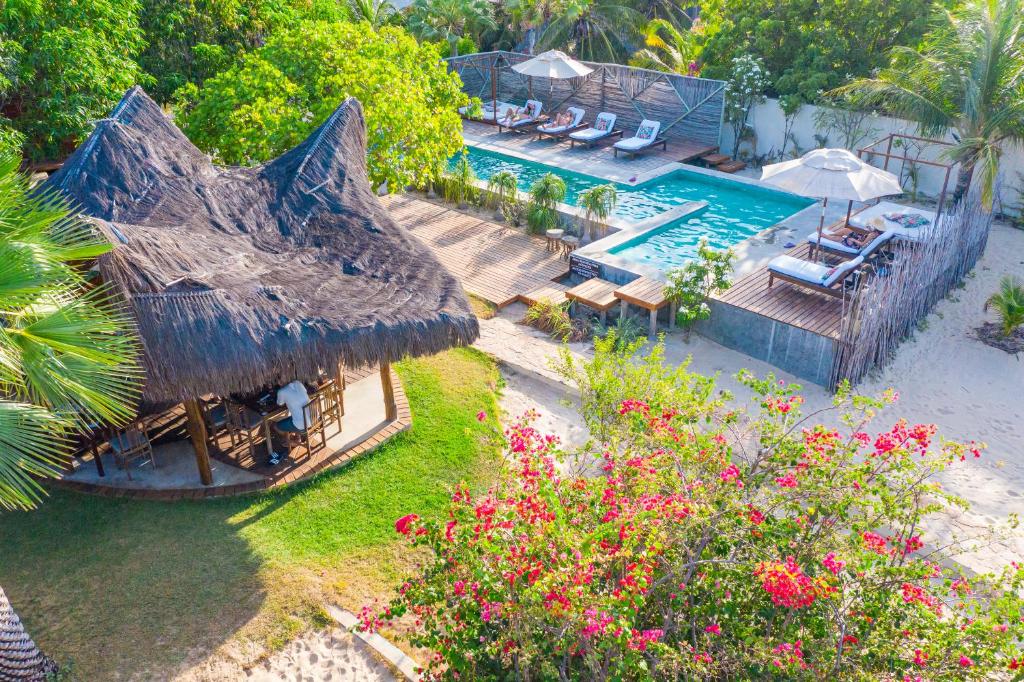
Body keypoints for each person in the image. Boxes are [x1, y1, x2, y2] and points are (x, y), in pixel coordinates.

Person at [270, 380, 309, 465]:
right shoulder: (298, 383)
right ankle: (297, 438)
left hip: (301, 424)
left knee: (275, 425)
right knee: (295, 417)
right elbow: (304, 392)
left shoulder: (281, 391)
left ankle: (291, 441)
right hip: (313, 418)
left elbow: (279, 403)